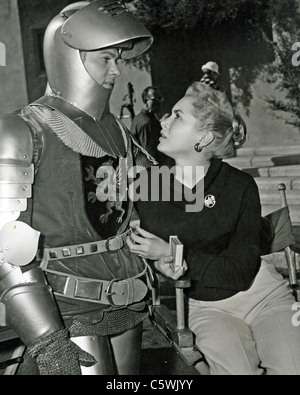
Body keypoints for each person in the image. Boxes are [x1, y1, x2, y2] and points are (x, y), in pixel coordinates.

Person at [0, 0, 156, 375]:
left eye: (119, 57)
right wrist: (48, 341)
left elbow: (131, 209)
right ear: (69, 56)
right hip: (64, 306)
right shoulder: (21, 131)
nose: (117, 70)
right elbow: (6, 245)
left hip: (127, 296)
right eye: (105, 58)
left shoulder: (117, 130)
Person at [126, 82, 300, 375]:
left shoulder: (239, 186)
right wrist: (158, 264)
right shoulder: (149, 186)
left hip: (264, 295)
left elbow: (240, 272)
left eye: (177, 116)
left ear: (203, 137)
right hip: (206, 306)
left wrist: (173, 253)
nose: (164, 121)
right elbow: (143, 253)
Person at [130, 86, 168, 164]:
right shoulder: (146, 123)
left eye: (160, 98)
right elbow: (150, 156)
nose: (159, 102)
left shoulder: (148, 117)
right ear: (145, 100)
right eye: (155, 99)